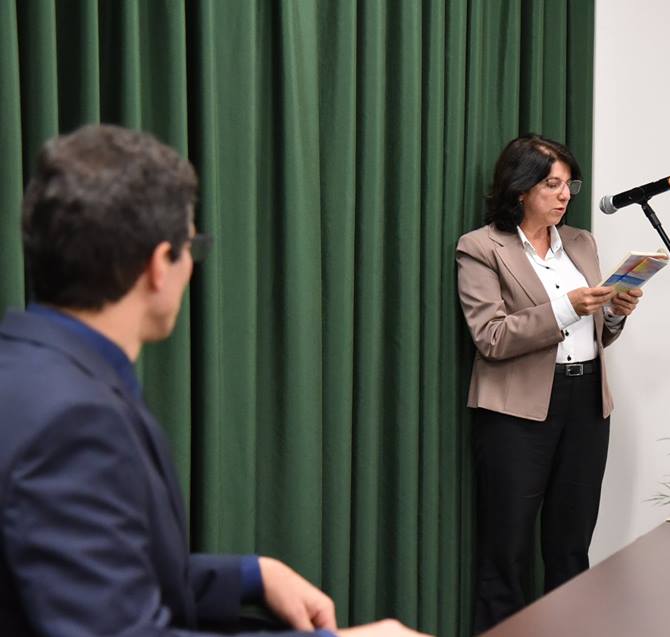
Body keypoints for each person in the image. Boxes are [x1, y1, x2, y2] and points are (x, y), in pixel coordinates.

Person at [0, 124, 425, 637]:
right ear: (159, 266)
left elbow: (88, 574)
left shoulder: (27, 370)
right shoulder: (73, 421)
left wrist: (251, 574)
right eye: (192, 248)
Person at [456, 134, 644, 633]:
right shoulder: (480, 247)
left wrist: (615, 313)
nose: (565, 195)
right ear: (520, 189)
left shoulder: (581, 242)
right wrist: (567, 307)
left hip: (587, 404)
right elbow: (491, 336)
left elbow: (598, 332)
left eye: (569, 185)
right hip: (516, 412)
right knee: (507, 547)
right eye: (553, 185)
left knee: (571, 543)